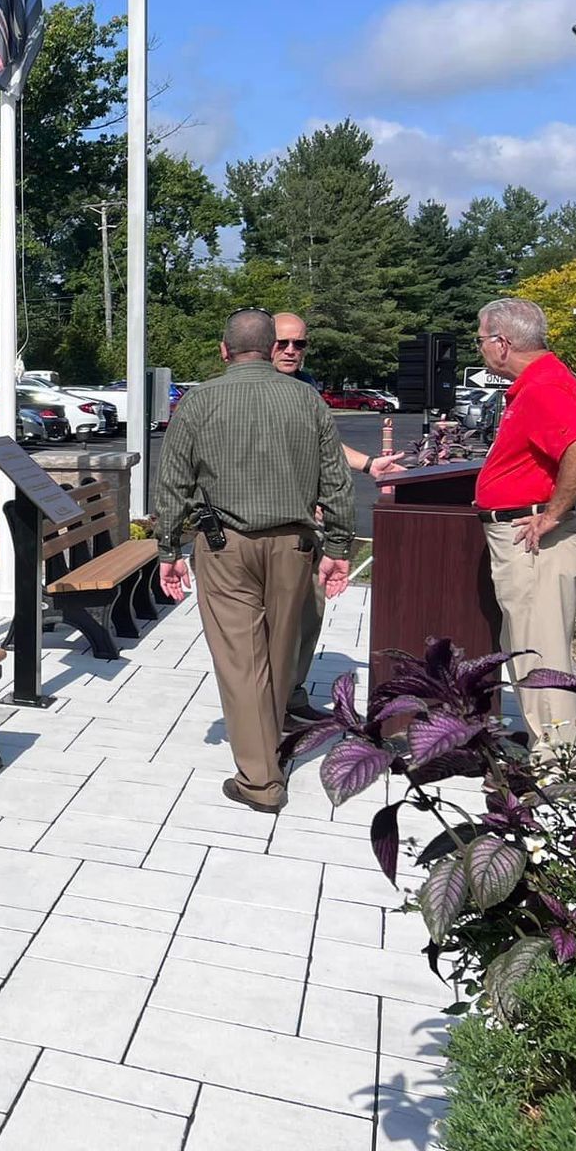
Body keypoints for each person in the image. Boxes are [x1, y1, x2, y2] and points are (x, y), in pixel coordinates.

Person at [155, 309, 354, 814]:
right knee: (281, 653)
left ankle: (261, 779)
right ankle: (271, 752)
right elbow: (336, 481)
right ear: (271, 349)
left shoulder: (198, 402)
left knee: (242, 662)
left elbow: (172, 483)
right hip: (293, 544)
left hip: (225, 547)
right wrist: (338, 547)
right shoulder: (306, 400)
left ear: (224, 350)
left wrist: (168, 551)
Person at [472, 298, 576, 748]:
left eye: (480, 340)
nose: (480, 350)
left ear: (502, 343)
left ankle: (558, 768)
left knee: (540, 655)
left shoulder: (542, 387)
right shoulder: (543, 379)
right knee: (533, 647)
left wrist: (551, 514)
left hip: (539, 543)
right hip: (535, 538)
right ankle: (546, 747)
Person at [270, 312, 405, 721]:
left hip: (309, 525)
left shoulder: (306, 386)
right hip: (271, 526)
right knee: (276, 622)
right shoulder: (258, 388)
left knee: (309, 613)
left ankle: (291, 697)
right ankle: (267, 713)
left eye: (300, 344)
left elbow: (324, 444)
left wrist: (369, 465)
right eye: (283, 343)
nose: (292, 351)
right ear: (264, 344)